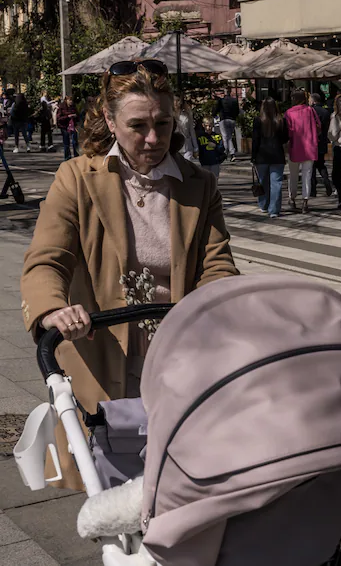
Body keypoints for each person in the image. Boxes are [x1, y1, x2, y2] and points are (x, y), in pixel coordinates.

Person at [20, 58, 237, 489]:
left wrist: (222, 305)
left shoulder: (197, 184)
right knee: (112, 488)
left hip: (179, 357)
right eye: (138, 125)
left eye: (164, 122)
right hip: (103, 354)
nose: (154, 138)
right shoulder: (77, 178)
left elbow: (217, 265)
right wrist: (53, 311)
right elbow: (48, 258)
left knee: (185, 485)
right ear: (109, 118)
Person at [251, 98, 290, 218]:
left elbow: (255, 140)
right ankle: (274, 210)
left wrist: (253, 156)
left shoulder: (258, 121)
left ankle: (263, 204)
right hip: (277, 155)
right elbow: (285, 138)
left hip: (262, 155)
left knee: (263, 181)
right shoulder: (281, 121)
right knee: (276, 183)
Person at [284, 89, 320, 214]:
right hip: (310, 146)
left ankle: (292, 198)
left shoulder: (289, 113)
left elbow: (287, 131)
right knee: (307, 175)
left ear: (294, 99)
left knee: (293, 175)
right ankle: (305, 201)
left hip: (294, 146)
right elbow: (318, 125)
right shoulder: (310, 110)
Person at [308, 92, 334, 199]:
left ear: (313, 101)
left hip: (311, 142)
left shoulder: (310, 111)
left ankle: (313, 190)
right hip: (322, 141)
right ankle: (326, 180)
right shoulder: (326, 112)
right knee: (321, 164)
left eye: (309, 99)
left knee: (312, 167)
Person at [197, 116, 226, 183]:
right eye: (206, 126)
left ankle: (214, 192)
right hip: (204, 162)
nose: (208, 128)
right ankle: (208, 193)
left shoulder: (217, 136)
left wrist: (216, 146)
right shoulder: (200, 137)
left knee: (215, 180)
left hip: (215, 161)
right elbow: (198, 148)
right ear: (203, 125)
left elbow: (222, 149)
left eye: (210, 126)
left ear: (213, 125)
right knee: (206, 181)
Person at [216, 89, 241, 161]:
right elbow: (237, 111)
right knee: (229, 136)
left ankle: (226, 152)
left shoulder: (221, 101)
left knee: (225, 137)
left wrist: (214, 115)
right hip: (232, 120)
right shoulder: (234, 100)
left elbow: (216, 109)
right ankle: (231, 153)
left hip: (224, 119)